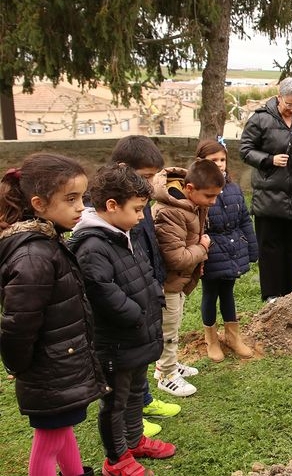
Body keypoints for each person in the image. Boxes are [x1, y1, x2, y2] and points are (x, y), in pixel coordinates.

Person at [0, 153, 107, 476]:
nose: (81, 208)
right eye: (71, 199)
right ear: (39, 203)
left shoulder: (46, 240)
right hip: (49, 370)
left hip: (60, 364)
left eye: (82, 198)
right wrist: (18, 365)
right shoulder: (34, 255)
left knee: (61, 431)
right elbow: (18, 324)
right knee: (49, 440)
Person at [69, 165, 176, 476]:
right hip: (116, 342)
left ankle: (134, 440)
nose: (141, 217)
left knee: (134, 395)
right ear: (112, 206)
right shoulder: (92, 246)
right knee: (115, 403)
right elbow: (101, 291)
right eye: (137, 210)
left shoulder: (122, 233)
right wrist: (136, 314)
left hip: (137, 337)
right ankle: (116, 459)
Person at [109, 135, 182, 434]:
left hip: (147, 284)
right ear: (125, 168)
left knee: (145, 351)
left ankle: (145, 399)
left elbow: (147, 242)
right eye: (146, 177)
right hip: (127, 291)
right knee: (128, 358)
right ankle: (130, 415)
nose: (151, 185)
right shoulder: (113, 210)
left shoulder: (141, 200)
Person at [240, 77, 292, 302]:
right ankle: (272, 295)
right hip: (268, 197)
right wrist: (269, 159)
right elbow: (245, 150)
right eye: (289, 105)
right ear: (279, 97)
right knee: (270, 249)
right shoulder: (260, 119)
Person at [152, 158, 225, 397]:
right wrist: (203, 248)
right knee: (168, 327)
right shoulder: (170, 212)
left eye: (216, 196)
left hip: (179, 280)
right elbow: (175, 258)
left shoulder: (190, 204)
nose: (213, 202)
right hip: (168, 281)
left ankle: (169, 363)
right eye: (209, 197)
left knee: (174, 323)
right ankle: (166, 374)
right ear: (190, 189)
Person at [195, 138, 258, 361]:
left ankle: (233, 337)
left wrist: (251, 247)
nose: (220, 164)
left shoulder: (232, 188)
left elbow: (244, 220)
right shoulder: (196, 191)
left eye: (223, 159)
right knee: (210, 294)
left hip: (232, 250)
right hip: (210, 252)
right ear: (201, 162)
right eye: (214, 160)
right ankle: (211, 340)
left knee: (228, 292)